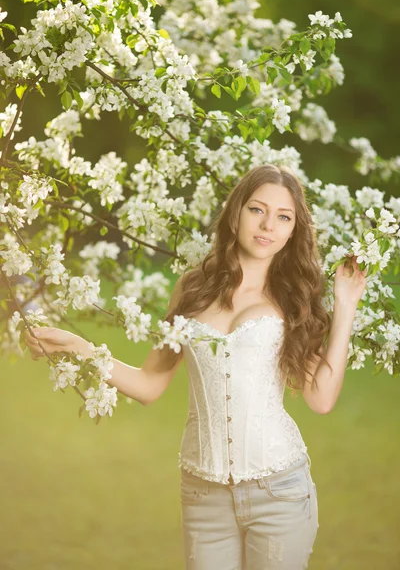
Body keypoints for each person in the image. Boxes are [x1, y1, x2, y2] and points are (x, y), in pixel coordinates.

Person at [25, 164, 368, 569]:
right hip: (204, 495)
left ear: (293, 229)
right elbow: (151, 383)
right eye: (257, 209)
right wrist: (80, 347)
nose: (268, 225)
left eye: (283, 217)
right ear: (236, 212)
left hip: (279, 491)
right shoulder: (193, 288)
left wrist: (346, 304)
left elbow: (321, 398)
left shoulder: (293, 298)